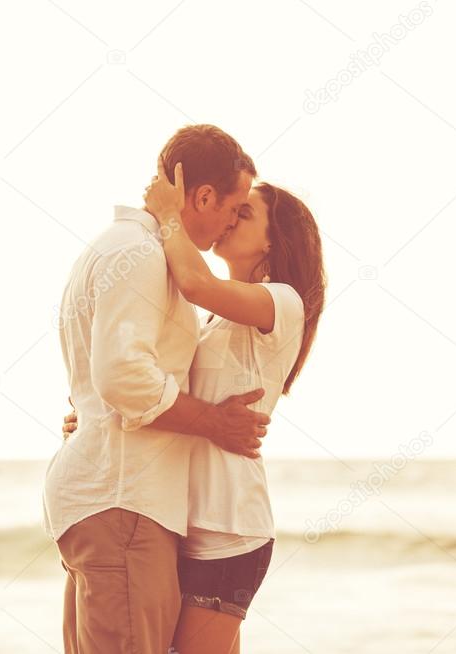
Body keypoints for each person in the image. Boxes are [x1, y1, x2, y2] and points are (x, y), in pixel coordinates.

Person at [63, 159, 327, 653]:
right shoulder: (214, 322)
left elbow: (196, 283)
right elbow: (162, 386)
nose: (230, 220)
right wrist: (100, 415)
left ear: (273, 242)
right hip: (186, 523)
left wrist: (167, 215)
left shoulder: (283, 302)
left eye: (244, 215)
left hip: (229, 528)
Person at [42, 124, 271, 654]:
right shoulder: (139, 252)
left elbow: (108, 380)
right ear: (204, 195)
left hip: (112, 498)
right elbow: (124, 376)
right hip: (123, 504)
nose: (231, 222)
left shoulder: (126, 247)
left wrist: (91, 415)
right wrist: (216, 423)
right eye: (234, 208)